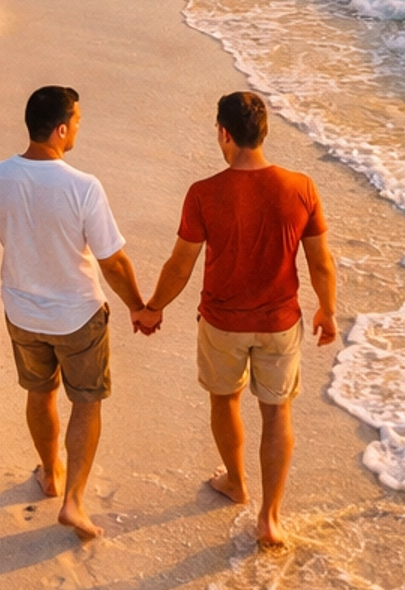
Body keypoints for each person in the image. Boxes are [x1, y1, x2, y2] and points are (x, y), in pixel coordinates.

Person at [137, 90, 337, 549]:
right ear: (263, 132)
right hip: (279, 323)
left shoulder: (204, 194)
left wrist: (153, 308)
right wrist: (328, 308)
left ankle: (234, 481)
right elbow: (321, 262)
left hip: (222, 322)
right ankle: (269, 517)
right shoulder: (301, 187)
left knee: (225, 399)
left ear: (224, 135)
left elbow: (179, 265)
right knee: (277, 411)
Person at [0, 85, 148, 543]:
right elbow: (113, 261)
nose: (79, 129)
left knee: (40, 392)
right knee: (86, 402)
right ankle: (74, 502)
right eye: (78, 122)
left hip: (22, 313)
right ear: (62, 128)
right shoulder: (82, 186)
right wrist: (139, 307)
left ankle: (50, 474)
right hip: (79, 316)